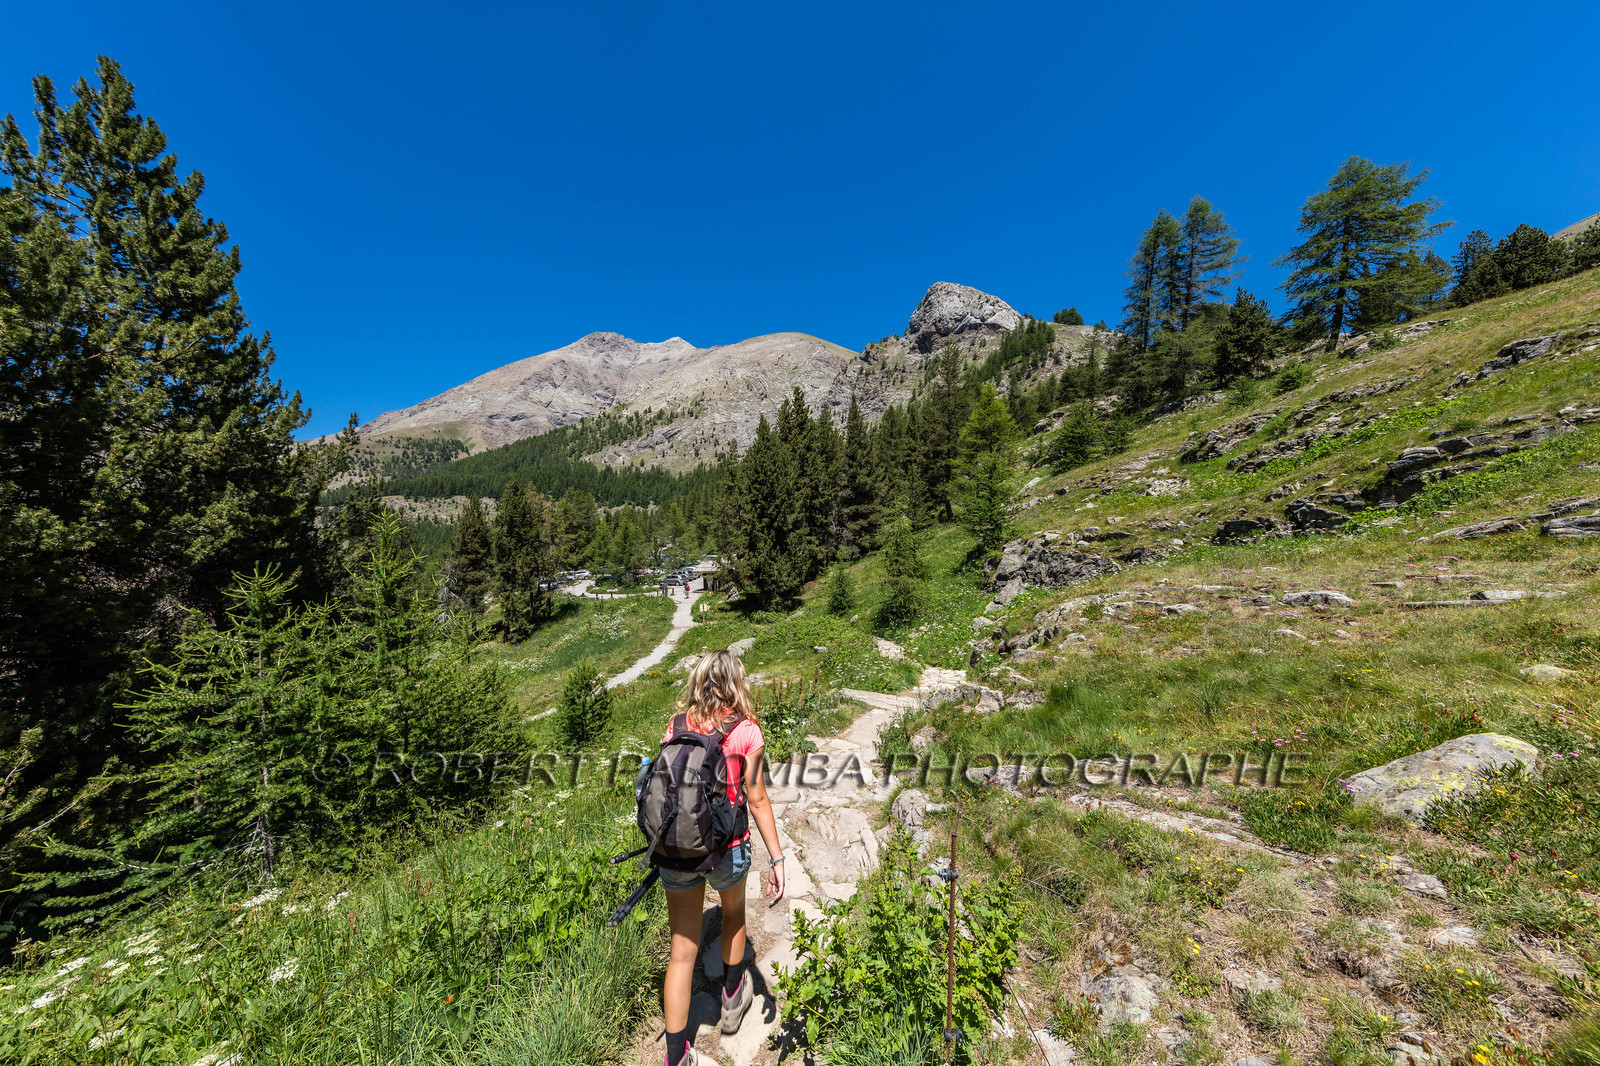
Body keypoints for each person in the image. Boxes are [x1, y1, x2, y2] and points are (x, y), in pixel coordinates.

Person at [659, 650, 785, 1066]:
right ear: (737, 683)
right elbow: (757, 797)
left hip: (678, 850)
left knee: (682, 951)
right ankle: (732, 1000)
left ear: (698, 683)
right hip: (727, 849)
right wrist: (777, 858)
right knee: (733, 917)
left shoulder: (676, 725)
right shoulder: (747, 732)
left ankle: (676, 1056)